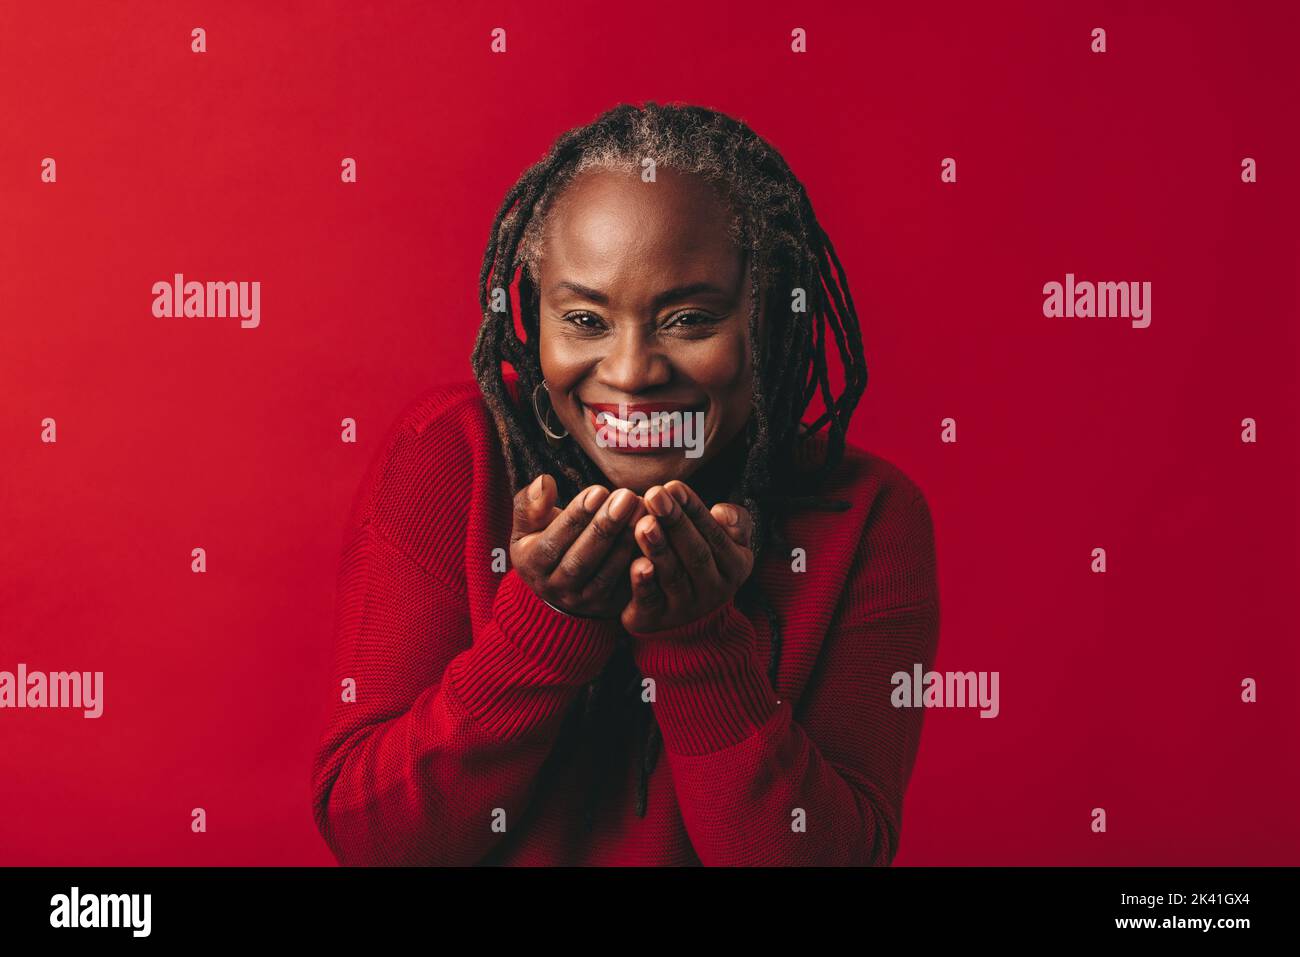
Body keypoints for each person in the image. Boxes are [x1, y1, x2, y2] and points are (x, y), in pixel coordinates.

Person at [310, 102, 939, 866]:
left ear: (766, 311)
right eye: (584, 318)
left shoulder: (866, 518)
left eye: (688, 319)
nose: (633, 372)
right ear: (532, 312)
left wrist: (700, 644)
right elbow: (376, 839)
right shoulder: (451, 458)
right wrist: (540, 629)